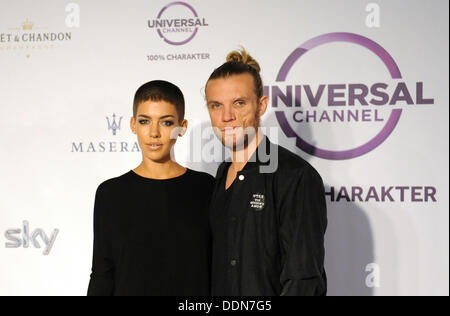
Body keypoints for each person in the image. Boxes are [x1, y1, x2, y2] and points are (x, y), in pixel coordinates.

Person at [205, 49, 328, 296]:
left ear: (261, 105)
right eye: (216, 105)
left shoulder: (295, 176)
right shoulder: (220, 175)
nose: (226, 116)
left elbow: (303, 280)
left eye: (239, 103)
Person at [87, 80, 214, 296]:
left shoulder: (207, 188)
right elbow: (102, 273)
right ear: (133, 125)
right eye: (145, 121)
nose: (154, 133)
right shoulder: (111, 194)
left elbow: (217, 269)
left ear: (181, 127)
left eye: (165, 122)